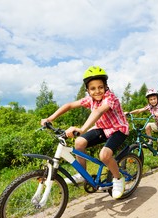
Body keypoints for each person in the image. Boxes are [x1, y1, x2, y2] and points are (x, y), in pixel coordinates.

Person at [40, 66, 128, 199]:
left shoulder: (110, 98)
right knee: (79, 142)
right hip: (103, 129)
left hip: (118, 129)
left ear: (106, 87)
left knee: (104, 155)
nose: (97, 91)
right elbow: (69, 105)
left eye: (100, 87)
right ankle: (82, 174)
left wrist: (82, 129)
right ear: (87, 90)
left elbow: (98, 112)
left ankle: (117, 179)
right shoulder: (90, 99)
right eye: (93, 88)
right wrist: (50, 118)